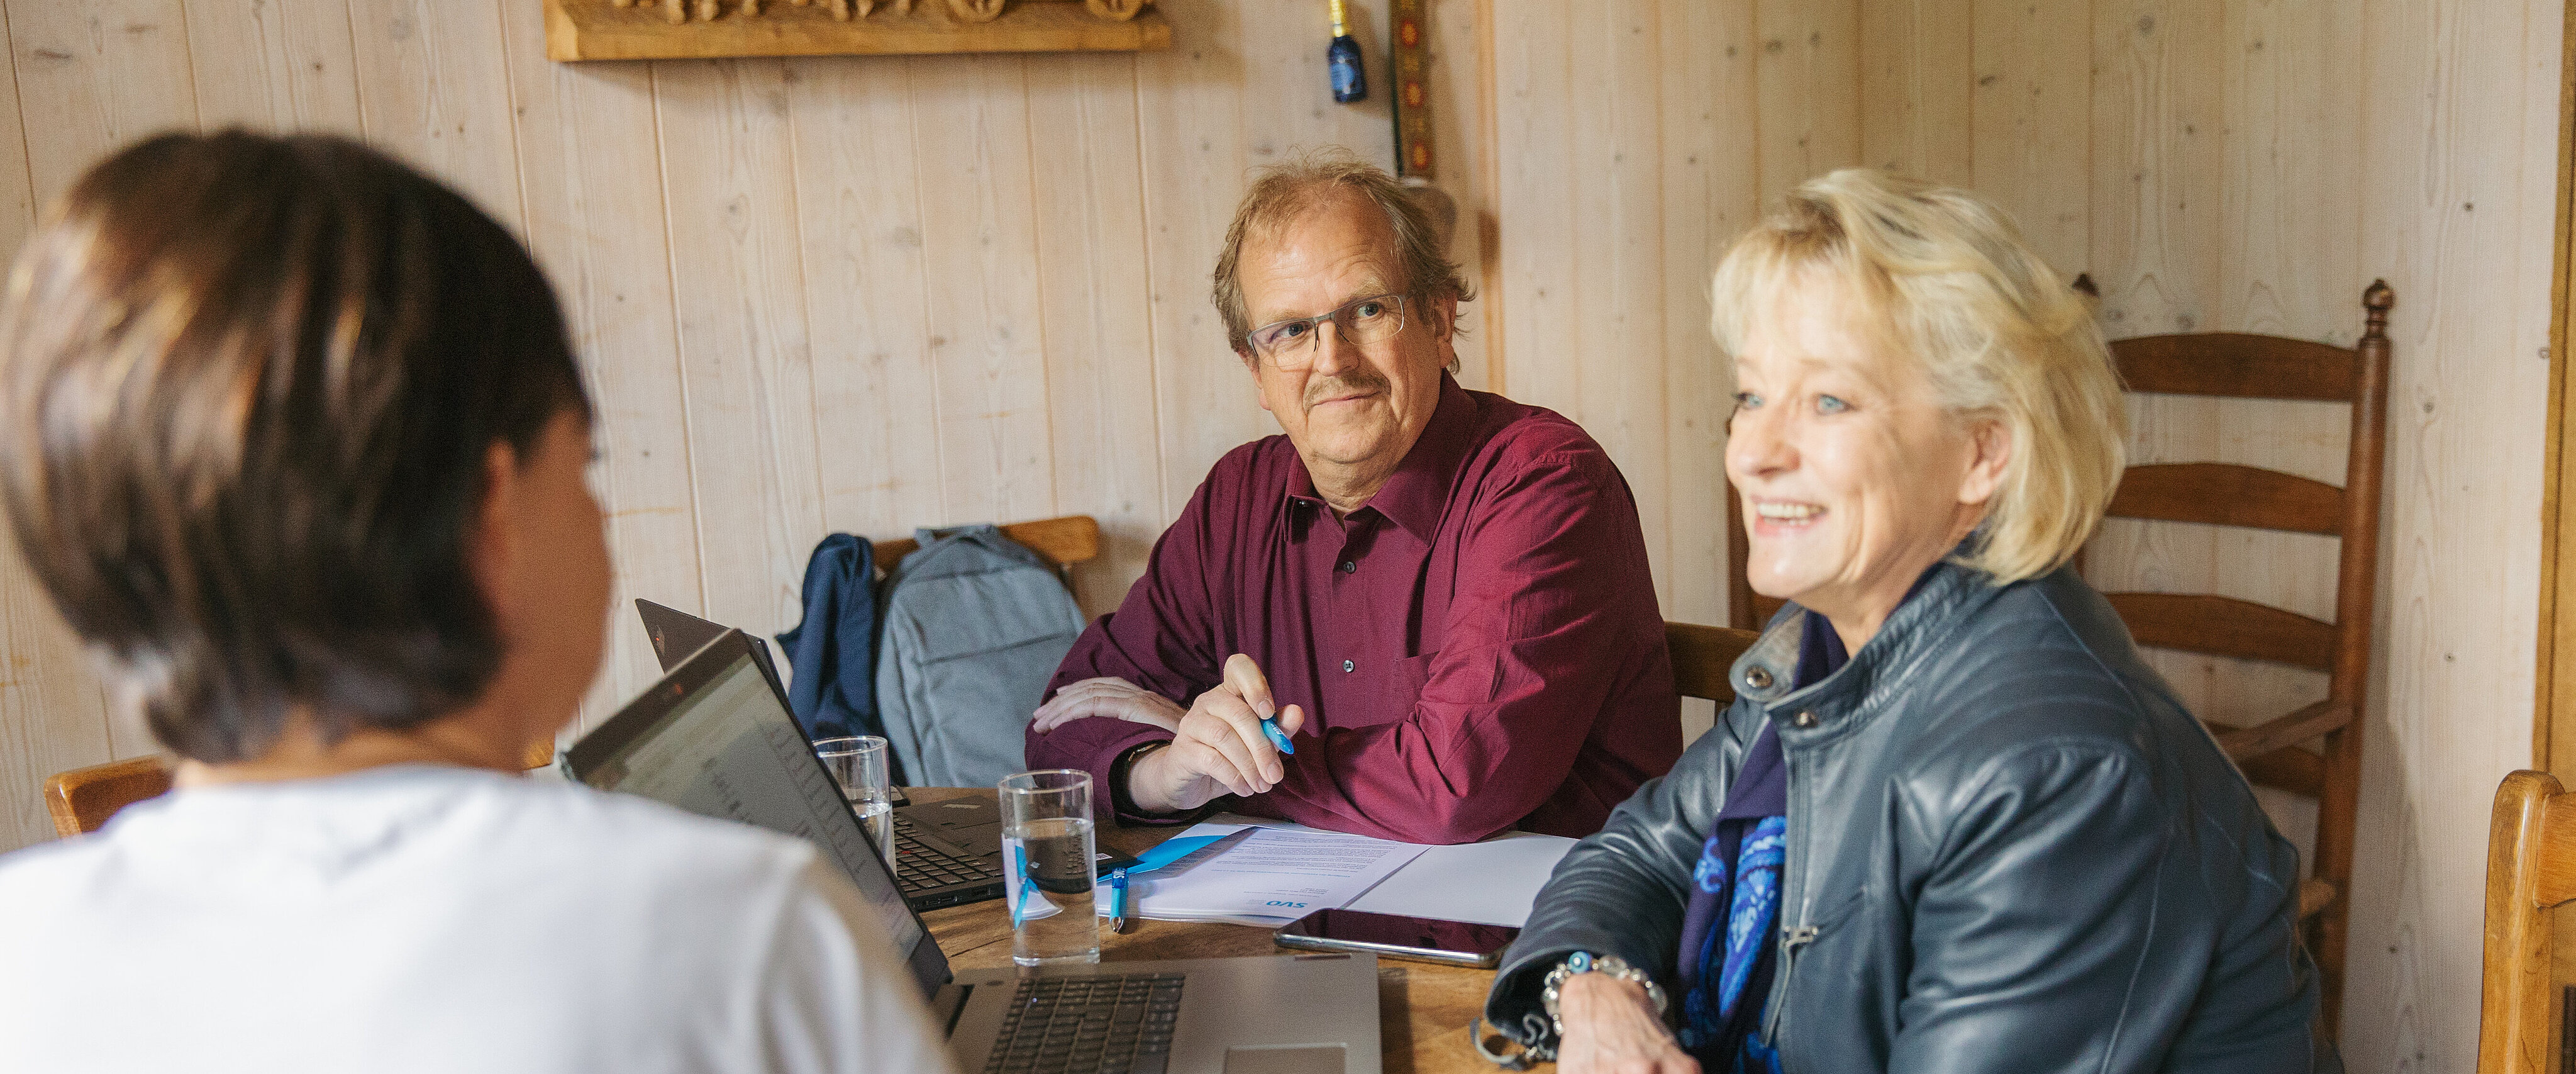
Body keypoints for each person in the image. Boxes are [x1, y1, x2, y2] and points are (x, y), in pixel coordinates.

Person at [0, 131, 955, 1074]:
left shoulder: (22, 957)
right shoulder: (753, 940)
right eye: (583, 465)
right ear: (490, 517)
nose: (596, 510)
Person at [1480, 169, 2321, 1074]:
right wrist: (1600, 991)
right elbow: (1639, 852)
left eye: (1829, 400)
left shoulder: (2056, 769)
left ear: (1981, 451)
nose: (1755, 452)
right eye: (1752, 396)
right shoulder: (1833, 644)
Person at [1025, 153, 1680, 844]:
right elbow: (1060, 729)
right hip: (1308, 929)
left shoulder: (1544, 483)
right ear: (1256, 370)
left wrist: (1241, 768)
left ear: (1436, 321)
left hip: (1538, 937)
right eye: (1290, 331)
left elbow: (1452, 787)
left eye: (1367, 310)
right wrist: (1166, 772)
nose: (1332, 360)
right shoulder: (1235, 501)